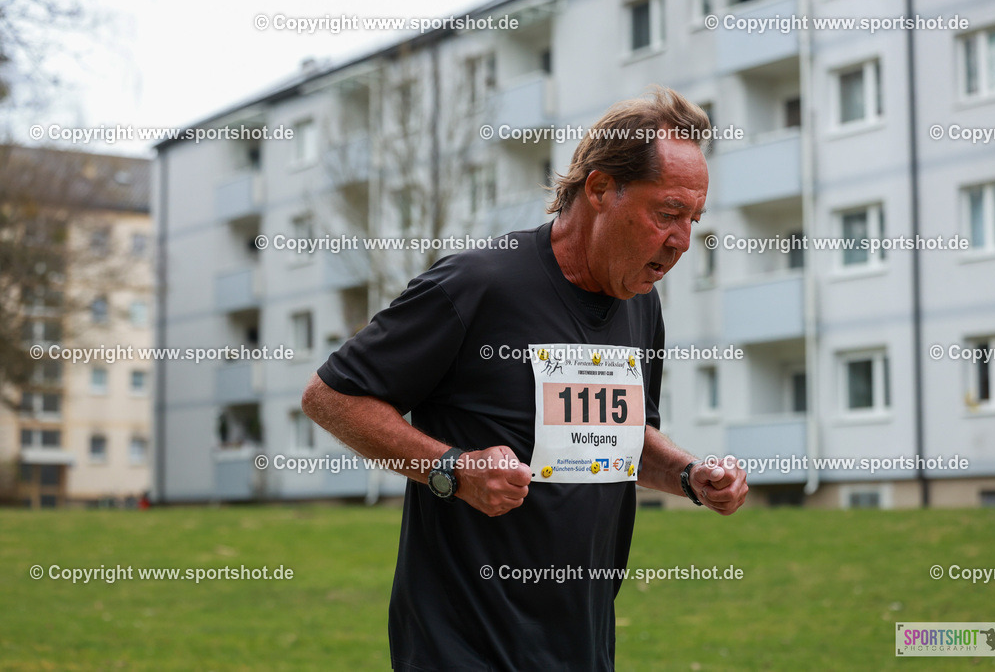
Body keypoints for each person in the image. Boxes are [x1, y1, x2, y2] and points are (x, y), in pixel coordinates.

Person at [302, 86, 748, 671]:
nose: (681, 241)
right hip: (463, 647)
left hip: (580, 646)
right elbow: (331, 396)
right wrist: (452, 471)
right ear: (599, 189)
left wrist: (691, 475)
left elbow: (624, 444)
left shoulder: (641, 303)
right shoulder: (478, 284)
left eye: (693, 219)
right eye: (666, 214)